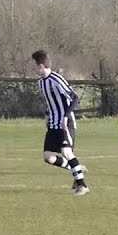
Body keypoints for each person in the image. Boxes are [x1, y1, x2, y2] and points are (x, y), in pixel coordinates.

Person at [33, 50, 89, 195]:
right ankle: (76, 168)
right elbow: (50, 103)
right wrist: (47, 115)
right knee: (48, 157)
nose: (34, 69)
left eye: (35, 66)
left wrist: (65, 116)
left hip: (66, 122)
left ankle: (82, 186)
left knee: (66, 152)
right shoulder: (41, 83)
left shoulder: (57, 80)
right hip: (53, 123)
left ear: (41, 66)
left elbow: (75, 98)